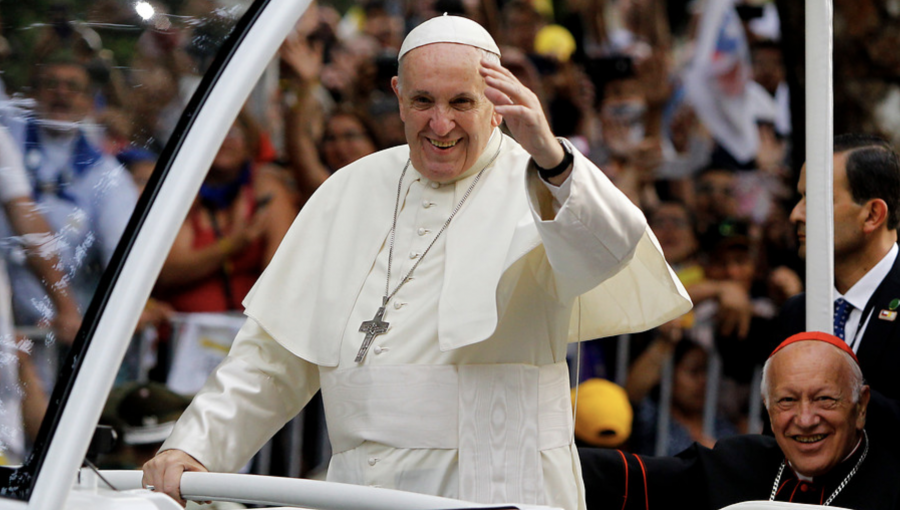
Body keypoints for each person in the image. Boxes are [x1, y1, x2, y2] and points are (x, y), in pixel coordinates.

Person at [143, 15, 691, 510]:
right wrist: (195, 445)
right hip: (362, 486)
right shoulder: (348, 191)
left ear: (496, 104)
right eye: (423, 101)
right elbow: (273, 357)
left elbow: (611, 250)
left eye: (461, 103)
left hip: (498, 487)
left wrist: (551, 155)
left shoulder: (544, 180)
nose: (440, 124)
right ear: (397, 97)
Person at [580, 331, 900, 510]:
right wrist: (543, 459)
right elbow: (630, 479)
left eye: (825, 399)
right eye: (787, 400)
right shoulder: (736, 462)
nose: (805, 419)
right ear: (768, 409)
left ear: (860, 408)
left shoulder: (892, 485)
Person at [778, 133, 900, 453]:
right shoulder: (796, 313)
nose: (796, 214)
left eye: (815, 200)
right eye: (799, 197)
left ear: (873, 215)